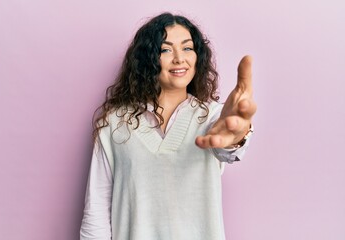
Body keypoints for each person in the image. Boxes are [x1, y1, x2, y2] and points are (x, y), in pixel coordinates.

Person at [80, 12, 256, 240]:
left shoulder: (212, 116)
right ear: (148, 58)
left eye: (187, 48)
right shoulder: (114, 124)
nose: (179, 59)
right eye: (165, 50)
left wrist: (237, 134)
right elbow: (96, 213)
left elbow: (228, 147)